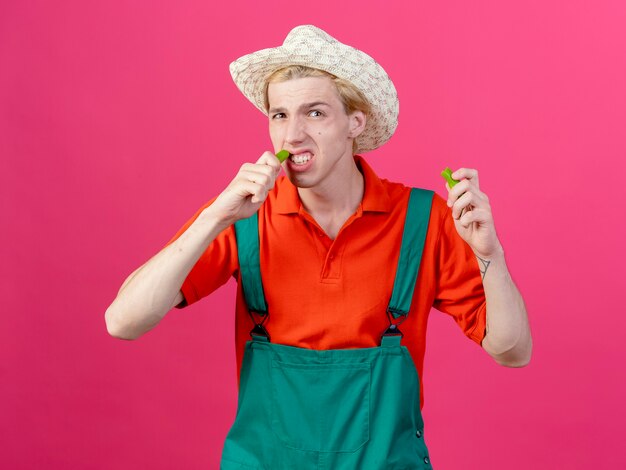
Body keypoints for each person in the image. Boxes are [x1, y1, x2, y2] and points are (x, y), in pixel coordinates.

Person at [105, 25, 532, 469]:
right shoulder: (243, 218)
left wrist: (490, 255)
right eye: (279, 115)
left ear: (355, 122)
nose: (292, 136)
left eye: (314, 113)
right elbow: (123, 322)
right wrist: (214, 217)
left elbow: (513, 351)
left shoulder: (423, 220)